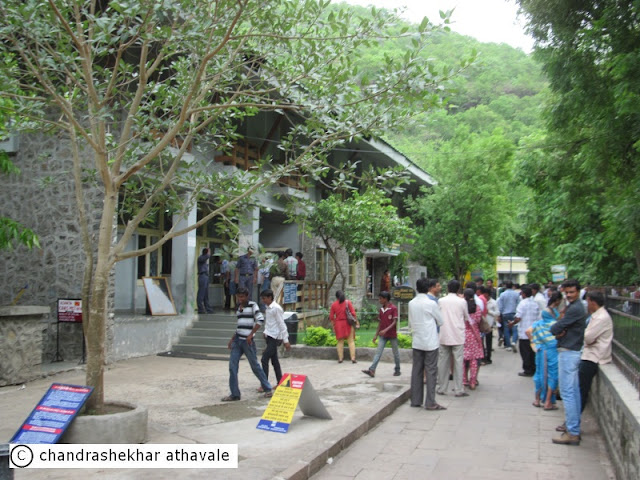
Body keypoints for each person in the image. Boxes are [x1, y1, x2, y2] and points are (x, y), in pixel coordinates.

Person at [551, 279, 587, 446]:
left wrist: (558, 329)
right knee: (572, 392)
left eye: (572, 292)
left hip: (569, 351)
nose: (569, 295)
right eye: (567, 292)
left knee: (568, 393)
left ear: (578, 291)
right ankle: (573, 428)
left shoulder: (576, 308)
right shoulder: (575, 307)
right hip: (571, 350)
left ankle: (572, 431)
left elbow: (556, 328)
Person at [222, 287, 272, 401]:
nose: (240, 299)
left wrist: (251, 334)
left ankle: (267, 388)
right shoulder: (238, 308)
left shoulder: (253, 305)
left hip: (248, 342)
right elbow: (239, 326)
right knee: (232, 367)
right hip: (237, 340)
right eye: (239, 296)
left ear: (247, 296)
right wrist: (232, 339)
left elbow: (260, 320)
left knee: (254, 366)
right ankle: (235, 394)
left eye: (242, 296)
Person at [408, 278, 445, 410]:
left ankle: (416, 400)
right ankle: (430, 401)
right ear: (429, 288)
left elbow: (410, 322)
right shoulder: (431, 304)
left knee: (416, 370)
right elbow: (440, 321)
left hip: (417, 340)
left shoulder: (411, 303)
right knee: (431, 371)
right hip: (430, 341)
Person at [579, 290, 613, 415]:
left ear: (592, 302)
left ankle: (574, 422)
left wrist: (587, 339)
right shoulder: (597, 315)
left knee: (581, 390)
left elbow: (588, 337)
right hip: (589, 353)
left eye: (587, 302)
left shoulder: (601, 317)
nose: (586, 305)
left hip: (593, 357)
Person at [437, 279, 470, 397]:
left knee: (442, 363)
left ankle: (442, 388)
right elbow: (466, 317)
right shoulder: (462, 302)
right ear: (458, 289)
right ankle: (459, 389)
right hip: (458, 335)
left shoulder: (441, 301)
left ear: (447, 288)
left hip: (444, 334)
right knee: (458, 363)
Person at [529, 292, 561, 410]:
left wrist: (535, 344)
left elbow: (529, 332)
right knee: (552, 375)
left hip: (540, 351)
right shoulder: (556, 325)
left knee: (539, 373)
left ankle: (537, 399)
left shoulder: (538, 324)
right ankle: (548, 401)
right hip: (552, 351)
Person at [362, 291, 401, 378]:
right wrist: (376, 335)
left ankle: (397, 369)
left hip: (392, 335)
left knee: (396, 353)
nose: (379, 300)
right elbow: (380, 323)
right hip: (382, 335)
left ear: (385, 299)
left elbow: (394, 322)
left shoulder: (393, 308)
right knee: (378, 353)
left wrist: (385, 330)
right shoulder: (381, 310)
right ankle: (372, 369)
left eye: (380, 298)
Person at [259, 289, 291, 389]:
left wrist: (286, 340)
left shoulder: (276, 308)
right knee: (274, 360)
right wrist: (265, 332)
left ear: (269, 298)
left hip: (275, 337)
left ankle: (265, 384)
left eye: (264, 298)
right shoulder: (268, 308)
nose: (263, 300)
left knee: (264, 359)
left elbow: (281, 324)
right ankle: (280, 381)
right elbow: (270, 323)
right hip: (270, 335)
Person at [510, 285, 539, 377]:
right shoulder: (535, 303)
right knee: (532, 352)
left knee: (525, 352)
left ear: (524, 294)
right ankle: (533, 368)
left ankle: (527, 369)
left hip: (524, 332)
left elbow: (518, 317)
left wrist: (512, 323)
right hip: (533, 331)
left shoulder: (522, 303)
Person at [329, 290, 359, 363]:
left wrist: (333, 325)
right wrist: (356, 321)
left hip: (338, 324)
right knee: (351, 341)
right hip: (348, 323)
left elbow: (331, 317)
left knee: (340, 342)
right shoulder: (348, 302)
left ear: (336, 297)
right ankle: (353, 358)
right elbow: (353, 313)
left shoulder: (334, 305)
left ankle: (340, 358)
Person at [462, 288, 484, 390]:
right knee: (474, 360)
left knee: (463, 359)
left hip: (463, 335)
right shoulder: (477, 308)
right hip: (475, 336)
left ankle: (463, 380)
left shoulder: (462, 307)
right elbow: (479, 320)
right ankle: (473, 381)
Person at [497, 281, 520, 352]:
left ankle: (508, 346)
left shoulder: (502, 294)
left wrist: (499, 314)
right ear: (512, 286)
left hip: (505, 314)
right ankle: (514, 342)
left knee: (506, 329)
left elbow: (500, 306)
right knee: (515, 328)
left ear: (506, 286)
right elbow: (518, 304)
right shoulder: (516, 294)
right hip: (514, 313)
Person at [481, 286, 499, 365]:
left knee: (488, 342)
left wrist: (489, 312)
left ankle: (488, 357)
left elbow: (497, 313)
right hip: (481, 325)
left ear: (487, 294)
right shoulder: (481, 301)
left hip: (489, 324)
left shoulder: (493, 302)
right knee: (481, 342)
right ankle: (482, 357)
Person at [197, 248, 214, 314]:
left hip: (206, 276)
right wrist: (208, 253)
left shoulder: (204, 259)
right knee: (201, 293)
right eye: (209, 252)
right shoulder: (201, 258)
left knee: (206, 294)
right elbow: (207, 256)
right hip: (202, 276)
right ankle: (200, 309)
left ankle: (208, 309)